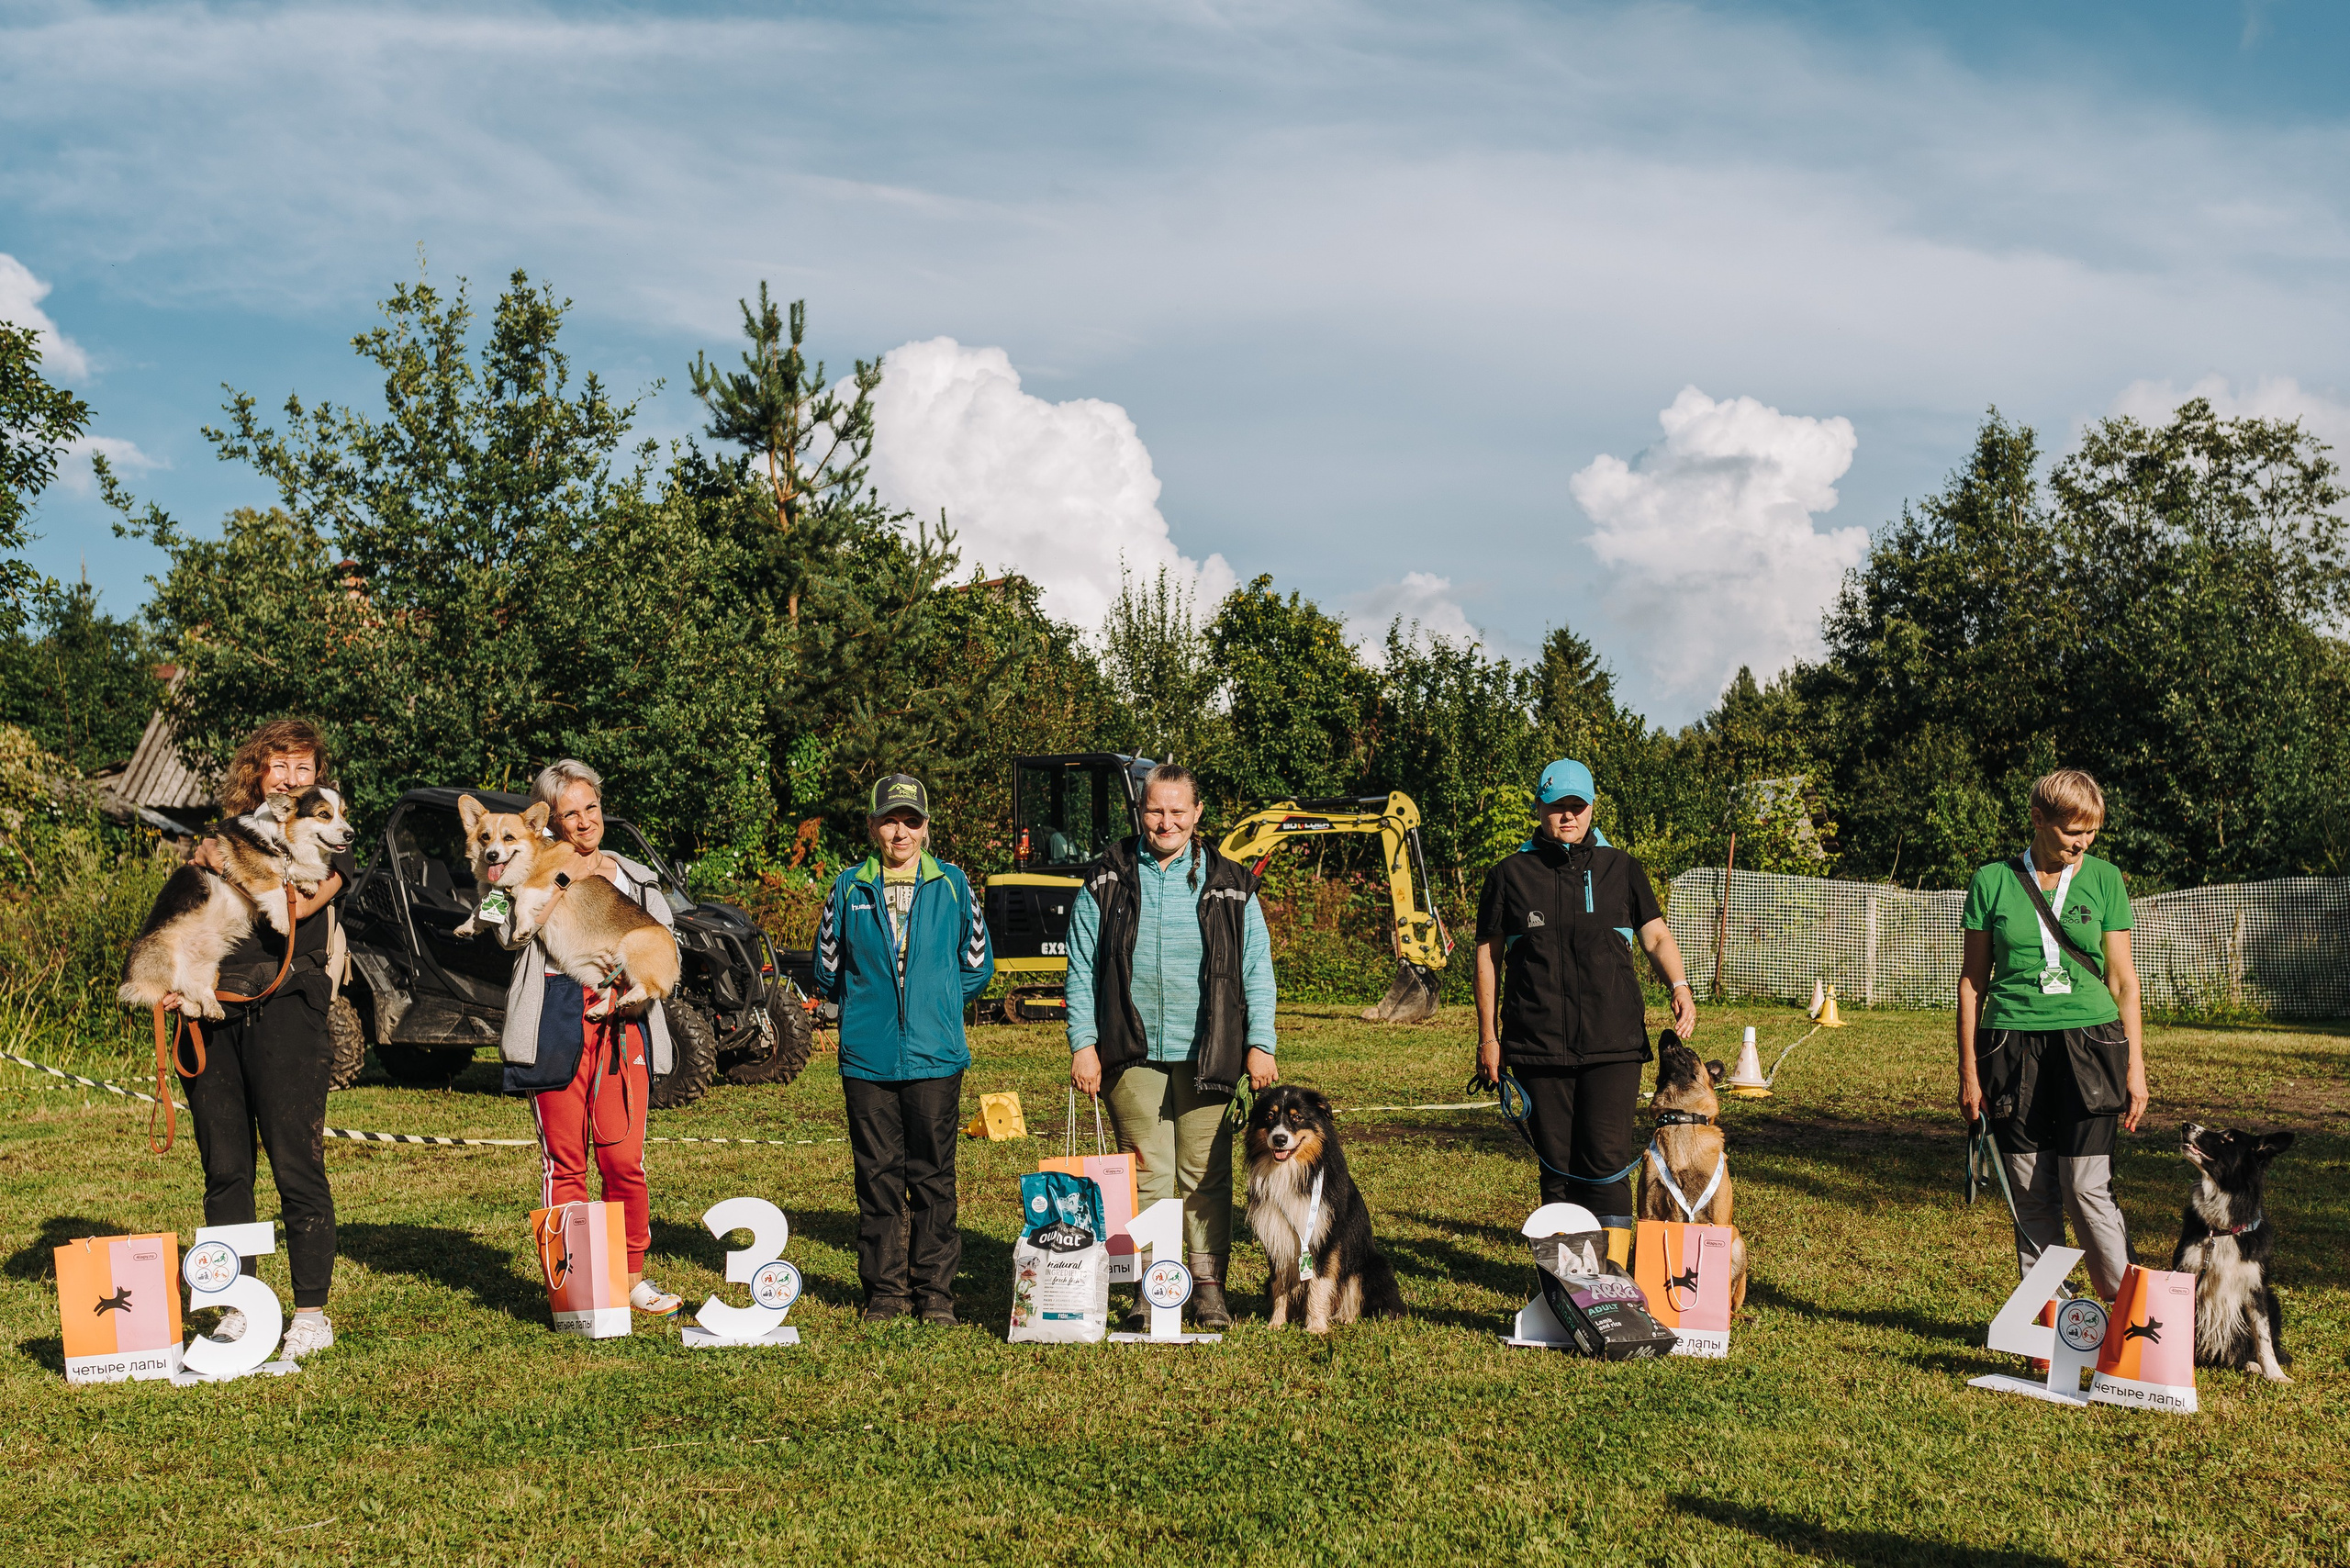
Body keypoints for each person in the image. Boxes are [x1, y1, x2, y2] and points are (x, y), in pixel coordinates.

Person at [1067, 763, 1279, 1332]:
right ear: (1141, 811)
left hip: (1211, 1050)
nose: (1166, 822)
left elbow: (1257, 969)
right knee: (1148, 1174)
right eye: (1155, 810)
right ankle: (1154, 1288)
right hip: (1129, 1051)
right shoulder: (1106, 876)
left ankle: (1208, 1291)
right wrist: (1083, 1043)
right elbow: (1082, 966)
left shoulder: (1233, 883)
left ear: (1197, 814)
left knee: (1204, 1174)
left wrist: (1260, 1042)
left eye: (1177, 811)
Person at [174, 719, 354, 1361]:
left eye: (303, 767)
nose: (291, 776)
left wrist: (244, 865)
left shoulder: (327, 838)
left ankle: (310, 1311)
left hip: (287, 1008)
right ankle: (238, 1306)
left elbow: (301, 904)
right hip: (210, 1009)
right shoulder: (223, 835)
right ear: (257, 770)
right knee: (225, 1169)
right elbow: (189, 906)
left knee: (295, 1162)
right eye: (279, 764)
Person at [1472, 757, 1696, 1267]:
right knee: (1558, 1172)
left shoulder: (1622, 869)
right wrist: (1488, 1037)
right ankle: (1567, 1289)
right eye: (1558, 807)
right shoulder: (1511, 874)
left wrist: (1678, 983)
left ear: (1592, 807)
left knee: (1607, 1168)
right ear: (1540, 809)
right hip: (1536, 1045)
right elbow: (1488, 955)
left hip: (1612, 1045)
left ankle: (1613, 1281)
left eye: (1578, 806)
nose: (1568, 817)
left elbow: (1656, 934)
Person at [498, 759, 686, 1318]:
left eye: (591, 808)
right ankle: (579, 1293)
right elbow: (505, 931)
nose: (584, 822)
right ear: (549, 824)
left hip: (624, 1019)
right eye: (568, 813)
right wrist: (557, 883)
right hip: (555, 1013)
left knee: (624, 1159)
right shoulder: (520, 865)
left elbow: (667, 948)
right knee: (565, 1161)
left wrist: (632, 982)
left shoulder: (638, 877)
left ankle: (628, 1277)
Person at [1957, 769, 2147, 1302]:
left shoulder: (2105, 878)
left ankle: (2130, 1324)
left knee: (2085, 1188)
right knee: (2031, 1192)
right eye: (2072, 832)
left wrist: (2136, 1066)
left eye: (2091, 833)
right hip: (2010, 1047)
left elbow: (2123, 980)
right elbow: (1973, 981)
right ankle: (2051, 1327)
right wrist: (1969, 1071)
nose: (2082, 844)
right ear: (2039, 821)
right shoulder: (1991, 880)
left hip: (2093, 1044)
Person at [816, 774, 993, 1325]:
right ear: (872, 826)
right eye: (890, 819)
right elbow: (827, 971)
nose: (900, 831)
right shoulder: (847, 887)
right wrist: (873, 1011)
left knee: (934, 1176)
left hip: (936, 1057)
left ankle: (936, 1293)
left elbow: (977, 965)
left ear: (925, 827)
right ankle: (886, 1292)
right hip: (868, 1059)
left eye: (911, 821)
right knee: (877, 1177)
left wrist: (934, 1002)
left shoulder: (955, 884)